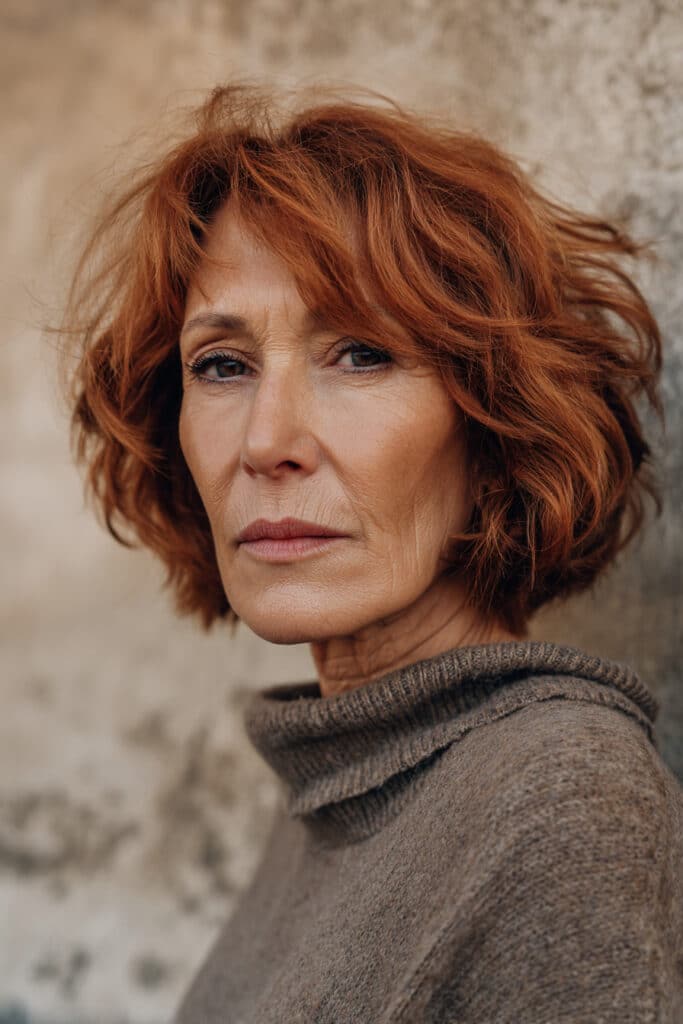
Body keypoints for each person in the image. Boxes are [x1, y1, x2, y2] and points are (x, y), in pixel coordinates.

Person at [59, 81, 683, 1022]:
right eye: (221, 365)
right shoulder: (341, 779)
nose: (267, 440)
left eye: (361, 353)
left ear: (496, 421)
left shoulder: (555, 797)